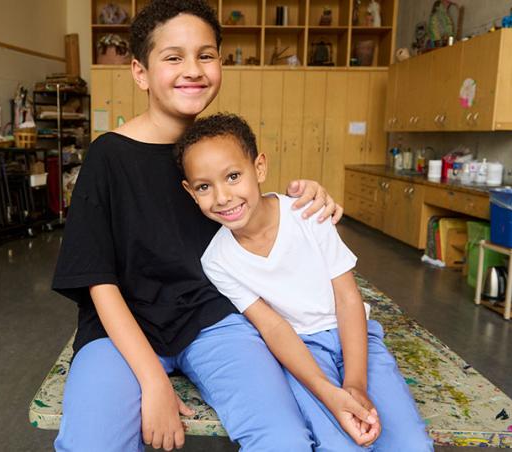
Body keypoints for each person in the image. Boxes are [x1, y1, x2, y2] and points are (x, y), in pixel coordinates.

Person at [51, 1, 343, 451]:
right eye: (173, 57)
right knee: (91, 444)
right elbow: (96, 279)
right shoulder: (108, 157)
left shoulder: (218, 151)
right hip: (121, 328)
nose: (193, 69)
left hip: (214, 320)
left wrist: (309, 198)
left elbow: (260, 213)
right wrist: (153, 380)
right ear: (140, 72)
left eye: (206, 55)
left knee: (284, 438)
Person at [176, 113, 434, 452]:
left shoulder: (308, 212)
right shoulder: (217, 260)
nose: (222, 197)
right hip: (302, 356)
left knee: (410, 445)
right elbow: (274, 328)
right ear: (190, 192)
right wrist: (328, 391)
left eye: (234, 176)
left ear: (260, 168)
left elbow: (347, 298)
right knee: (341, 446)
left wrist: (355, 381)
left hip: (357, 338)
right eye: (204, 187)